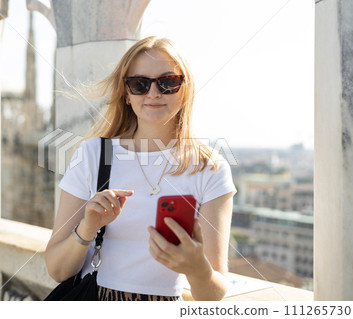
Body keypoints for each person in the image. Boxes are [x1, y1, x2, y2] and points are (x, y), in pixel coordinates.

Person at [45, 36, 236, 301]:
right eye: (139, 84)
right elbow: (56, 269)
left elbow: (212, 295)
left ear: (185, 88)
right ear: (126, 93)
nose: (154, 93)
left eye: (168, 82)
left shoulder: (210, 168)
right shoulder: (92, 155)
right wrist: (87, 228)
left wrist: (198, 270)